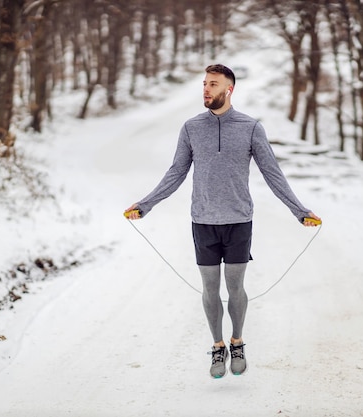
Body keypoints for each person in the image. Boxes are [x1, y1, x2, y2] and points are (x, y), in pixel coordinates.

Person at [124, 64, 320, 379]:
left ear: (229, 89)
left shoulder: (250, 127)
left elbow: (272, 173)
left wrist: (299, 210)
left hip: (239, 220)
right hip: (202, 221)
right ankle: (218, 346)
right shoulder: (190, 128)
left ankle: (237, 340)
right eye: (204, 84)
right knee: (210, 288)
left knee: (236, 286)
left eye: (212, 84)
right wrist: (145, 204)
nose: (206, 89)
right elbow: (176, 172)